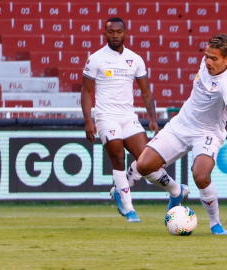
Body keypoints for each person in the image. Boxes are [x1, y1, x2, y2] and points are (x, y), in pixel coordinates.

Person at [81, 17, 189, 223]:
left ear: (125, 33)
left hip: (128, 117)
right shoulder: (95, 59)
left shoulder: (135, 59)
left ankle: (176, 190)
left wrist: (153, 119)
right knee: (119, 159)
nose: (115, 35)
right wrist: (88, 121)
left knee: (147, 162)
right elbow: (86, 91)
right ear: (104, 33)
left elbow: (146, 93)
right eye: (111, 31)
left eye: (118, 32)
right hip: (106, 117)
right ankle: (129, 209)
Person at [136, 33, 227, 235]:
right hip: (182, 123)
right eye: (206, 56)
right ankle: (176, 190)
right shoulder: (207, 62)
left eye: (214, 58)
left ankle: (215, 223)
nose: (208, 62)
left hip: (208, 132)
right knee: (144, 166)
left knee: (200, 176)